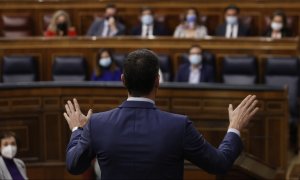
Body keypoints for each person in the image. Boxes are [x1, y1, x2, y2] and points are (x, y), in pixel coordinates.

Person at [64, 49, 259, 179]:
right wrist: (234, 128)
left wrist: (77, 129)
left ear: (123, 80)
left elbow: (74, 165)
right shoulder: (178, 126)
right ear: (158, 81)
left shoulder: (97, 123)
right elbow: (219, 164)